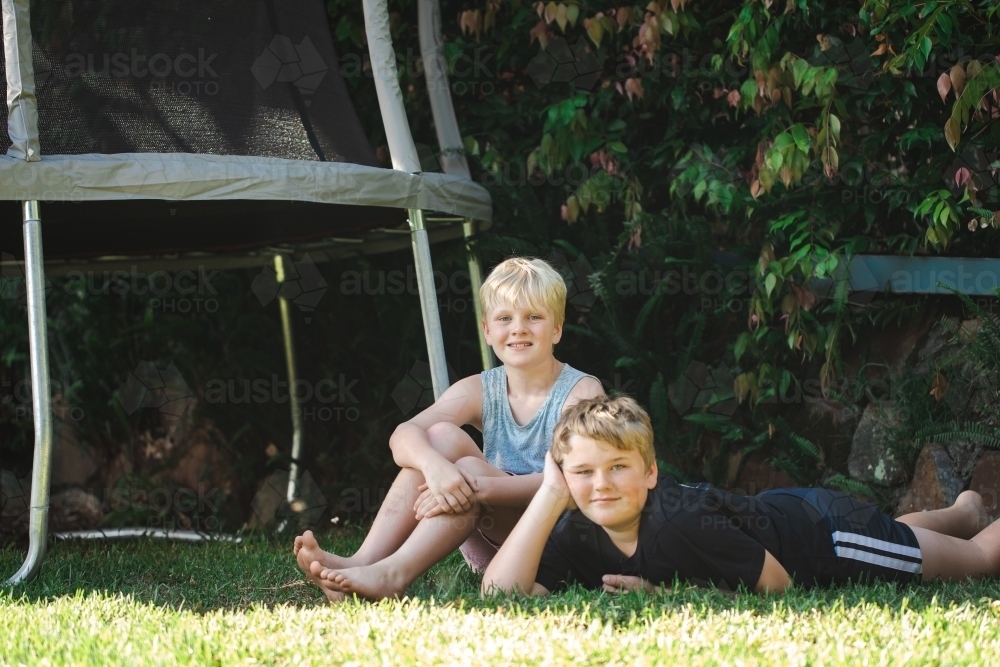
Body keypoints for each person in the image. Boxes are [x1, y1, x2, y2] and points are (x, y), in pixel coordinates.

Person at [295, 257, 603, 601]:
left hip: (550, 542)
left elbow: (575, 483)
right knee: (438, 438)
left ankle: (393, 575)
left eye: (534, 317)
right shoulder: (481, 389)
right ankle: (363, 562)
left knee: (466, 469)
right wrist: (435, 468)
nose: (518, 328)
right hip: (489, 537)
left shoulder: (580, 393)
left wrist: (478, 487)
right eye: (505, 319)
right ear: (487, 330)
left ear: (557, 329)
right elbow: (403, 435)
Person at [482, 395, 1000, 596]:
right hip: (776, 514)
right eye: (582, 472)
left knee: (976, 561)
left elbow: (777, 586)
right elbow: (499, 596)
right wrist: (550, 495)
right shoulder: (576, 528)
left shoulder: (679, 521)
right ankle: (964, 510)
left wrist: (664, 595)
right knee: (902, 537)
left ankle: (968, 524)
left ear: (651, 473)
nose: (601, 485)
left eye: (619, 467)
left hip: (825, 538)